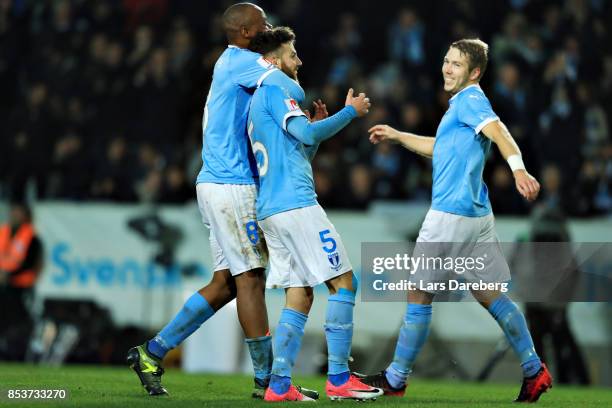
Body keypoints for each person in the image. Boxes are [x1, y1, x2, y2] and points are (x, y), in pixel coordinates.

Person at [127, 3, 316, 399]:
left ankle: (151, 352)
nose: (269, 28)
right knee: (251, 279)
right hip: (232, 186)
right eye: (263, 24)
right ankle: (268, 382)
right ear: (246, 32)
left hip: (217, 182)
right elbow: (291, 84)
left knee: (226, 283)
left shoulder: (234, 63)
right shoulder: (245, 62)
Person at [359, 39, 553, 403]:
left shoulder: (471, 99)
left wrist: (518, 170)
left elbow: (501, 133)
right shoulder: (461, 107)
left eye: (457, 64)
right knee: (490, 293)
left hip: (450, 215)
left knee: (419, 293)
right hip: (476, 214)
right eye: (446, 61)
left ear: (474, 72)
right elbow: (441, 147)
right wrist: (399, 136)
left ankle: (396, 378)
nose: (447, 68)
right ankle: (533, 370)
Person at [247, 27, 382, 402]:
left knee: (300, 294)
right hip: (297, 206)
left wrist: (318, 130)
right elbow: (304, 135)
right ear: (274, 61)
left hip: (272, 209)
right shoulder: (277, 87)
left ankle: (278, 385)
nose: (299, 61)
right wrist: (348, 113)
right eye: (293, 54)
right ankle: (339, 378)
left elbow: (299, 149)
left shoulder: (260, 100)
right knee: (344, 283)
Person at [0, 202, 44, 360]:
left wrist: (9, 275)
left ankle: (18, 353)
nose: (14, 215)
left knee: (19, 322)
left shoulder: (31, 237)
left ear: (25, 216)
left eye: (18, 212)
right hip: (3, 288)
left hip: (21, 288)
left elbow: (30, 263)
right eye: (13, 211)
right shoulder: (3, 232)